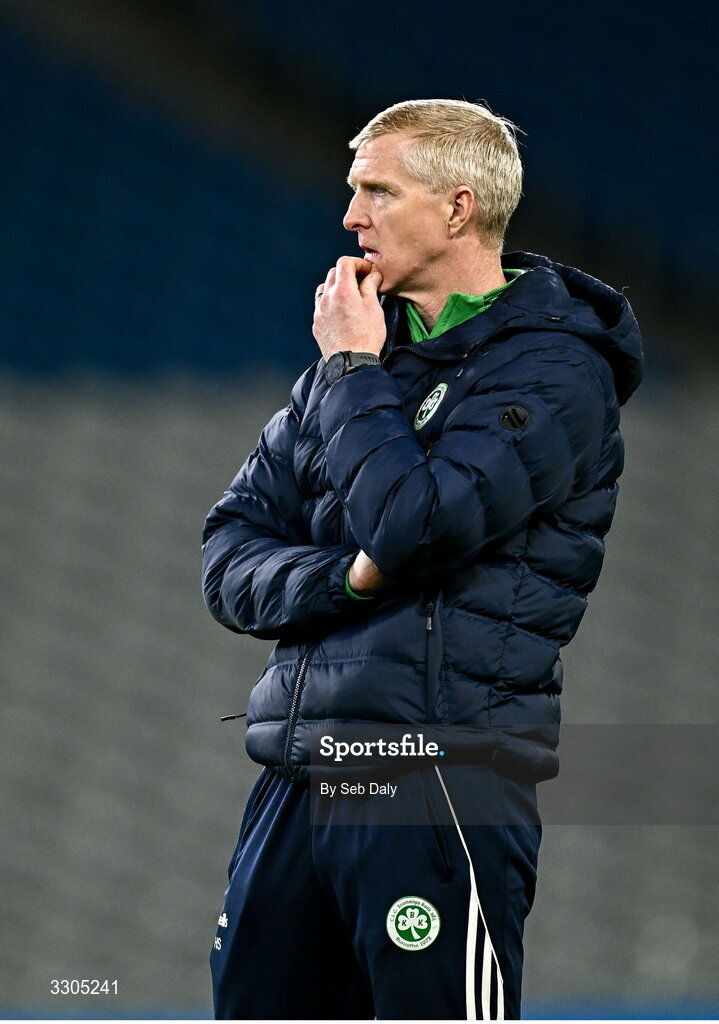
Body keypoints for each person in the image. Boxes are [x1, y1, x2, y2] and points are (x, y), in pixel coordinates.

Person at [202, 98, 643, 1020]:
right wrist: (345, 577)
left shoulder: (555, 370)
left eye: (375, 190)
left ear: (457, 207)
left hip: (435, 773)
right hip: (301, 770)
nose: (350, 217)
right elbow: (230, 550)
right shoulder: (353, 358)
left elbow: (419, 525)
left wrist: (355, 376)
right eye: (352, 190)